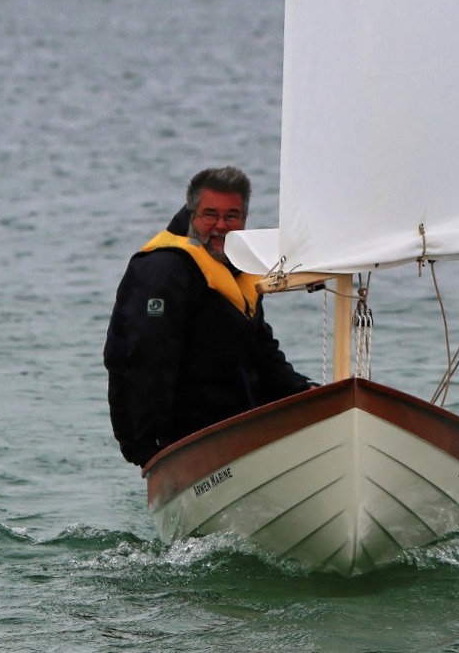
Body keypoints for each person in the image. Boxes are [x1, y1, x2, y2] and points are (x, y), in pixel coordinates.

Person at [104, 166, 314, 467]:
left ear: (244, 219)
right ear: (192, 214)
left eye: (231, 216)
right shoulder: (163, 272)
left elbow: (260, 351)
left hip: (240, 433)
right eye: (210, 215)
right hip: (186, 443)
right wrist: (146, 448)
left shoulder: (236, 267)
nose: (221, 225)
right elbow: (144, 360)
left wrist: (302, 392)